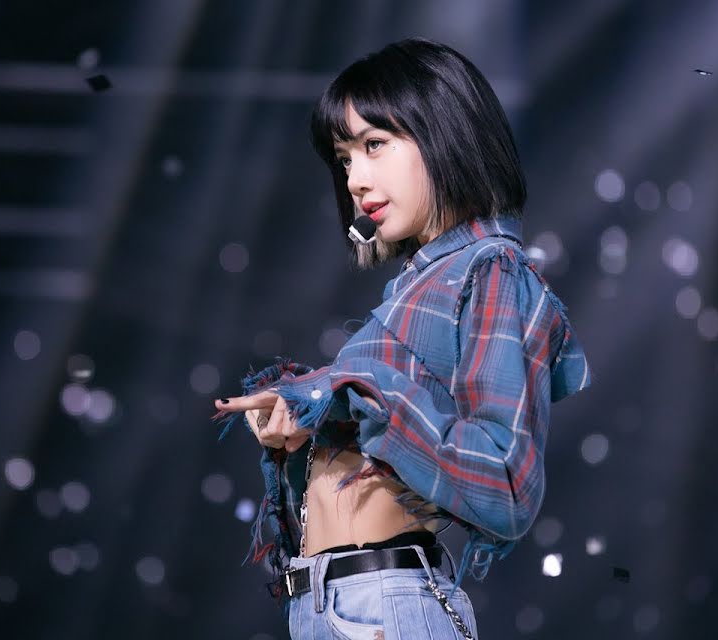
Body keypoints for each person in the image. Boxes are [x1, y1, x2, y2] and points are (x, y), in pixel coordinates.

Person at [211, 37, 592, 640]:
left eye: (374, 145)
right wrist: (305, 421)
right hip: (332, 601)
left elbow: (506, 485)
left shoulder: (491, 270)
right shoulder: (421, 285)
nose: (355, 180)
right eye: (344, 159)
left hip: (381, 606)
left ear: (445, 134)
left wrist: (364, 394)